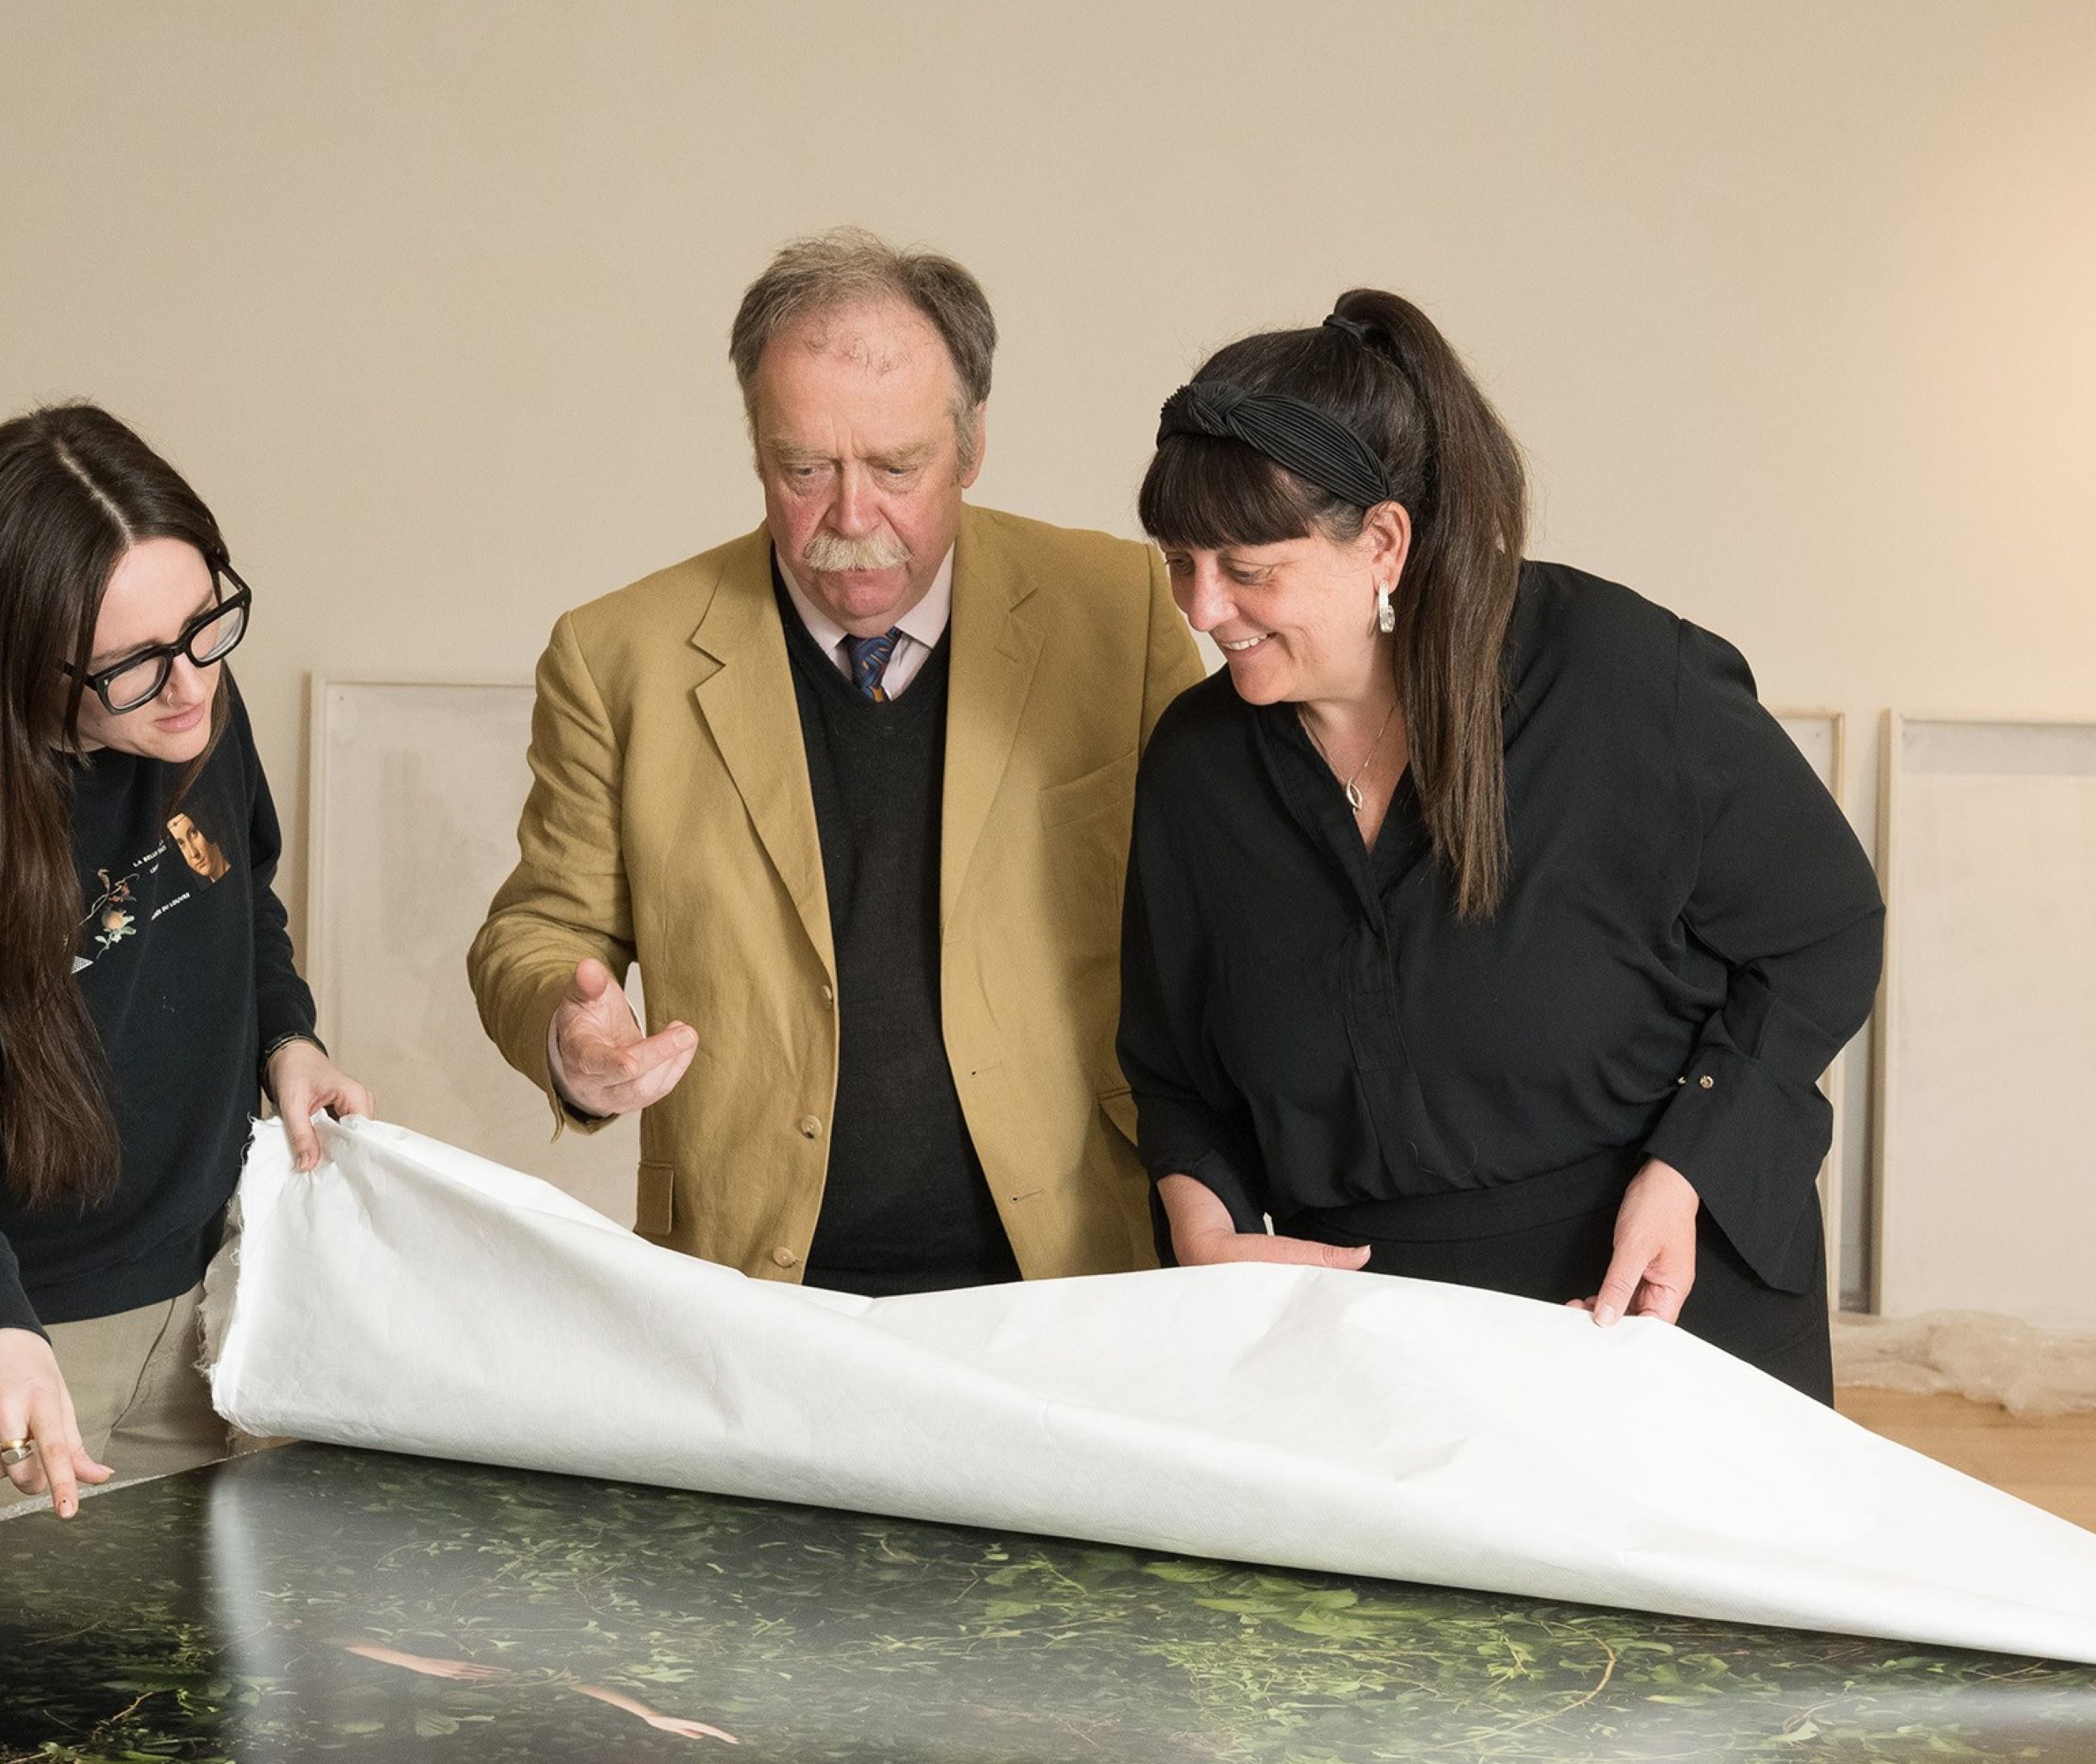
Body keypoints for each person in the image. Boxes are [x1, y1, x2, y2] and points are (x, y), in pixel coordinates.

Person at [1119, 291, 1881, 1401]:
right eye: (1181, 560)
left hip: (1653, 1302)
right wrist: (1201, 1217)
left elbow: (1822, 931)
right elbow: (1175, 1071)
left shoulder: (1621, 681)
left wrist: (1689, 1171)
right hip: (1367, 1344)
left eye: (1247, 566)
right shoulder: (1198, 768)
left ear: (1381, 540)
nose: (1202, 606)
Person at [470, 230, 1205, 1294]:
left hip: (1071, 1269)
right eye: (802, 468)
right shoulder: (615, 653)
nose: (850, 518)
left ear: (972, 444)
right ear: (755, 444)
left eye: (897, 467)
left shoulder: (1121, 611)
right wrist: (565, 1033)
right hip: (753, 1281)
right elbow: (537, 928)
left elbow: (1221, 921)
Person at [0, 404, 371, 1565]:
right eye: (136, 664)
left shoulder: (188, 707)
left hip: (195, 1325)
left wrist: (285, 1039)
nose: (190, 686)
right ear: (11, 661)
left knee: (169, 1731)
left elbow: (241, 894)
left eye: (206, 626)